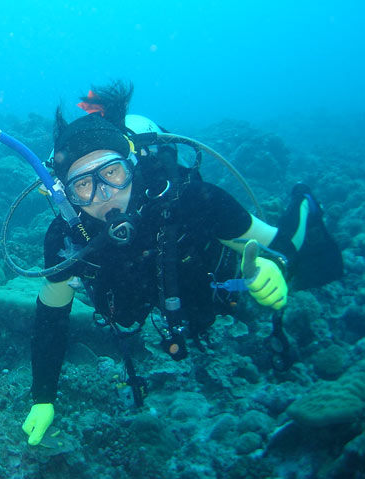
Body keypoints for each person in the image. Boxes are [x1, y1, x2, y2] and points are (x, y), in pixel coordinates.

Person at [20, 81, 343, 446]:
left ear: (131, 166)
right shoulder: (67, 240)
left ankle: (303, 201)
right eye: (83, 185)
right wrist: (43, 398)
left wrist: (274, 265)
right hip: (153, 293)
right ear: (66, 196)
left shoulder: (191, 199)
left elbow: (275, 247)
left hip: (208, 277)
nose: (105, 196)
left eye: (112, 173)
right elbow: (51, 319)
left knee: (303, 257)